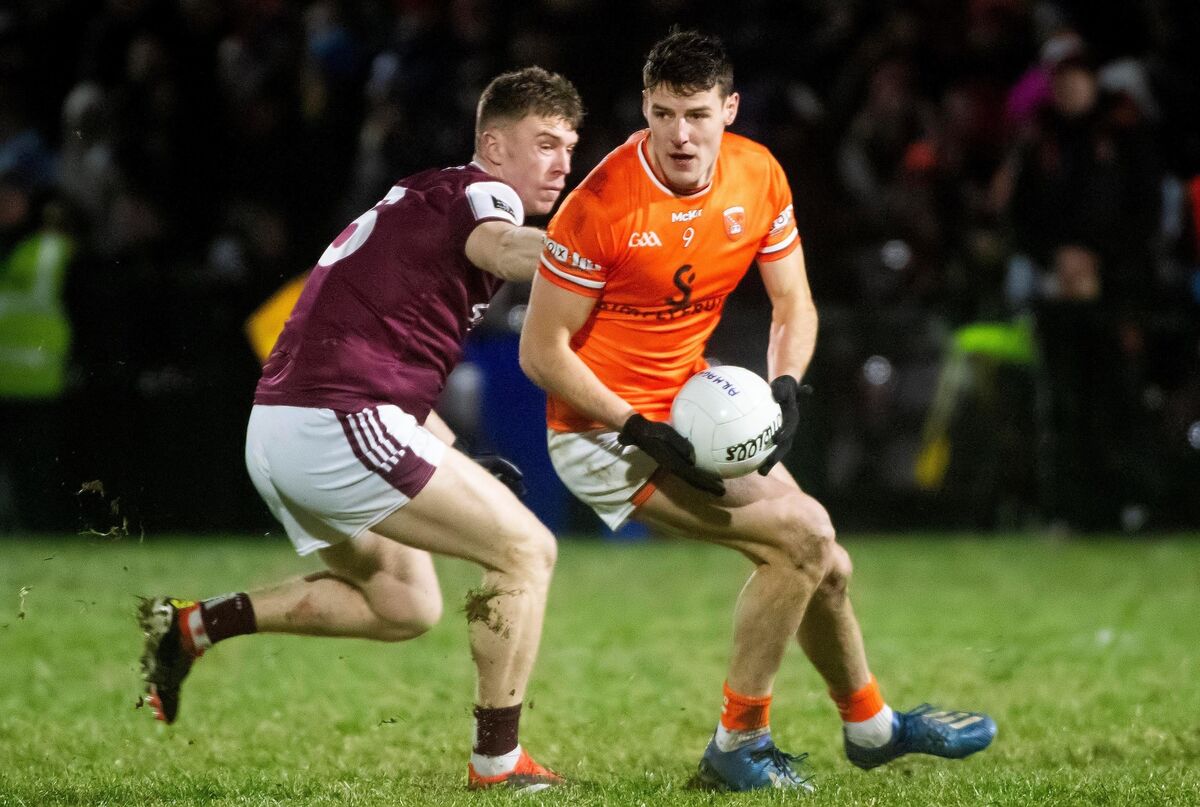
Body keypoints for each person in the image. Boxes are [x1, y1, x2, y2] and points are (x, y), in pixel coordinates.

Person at [519, 31, 996, 792]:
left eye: (698, 115)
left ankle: (870, 727)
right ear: (644, 109)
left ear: (730, 109)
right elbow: (542, 353)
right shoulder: (600, 206)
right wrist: (636, 426)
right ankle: (737, 743)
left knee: (826, 563)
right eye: (664, 114)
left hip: (690, 405)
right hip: (601, 433)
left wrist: (787, 385)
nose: (680, 135)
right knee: (802, 540)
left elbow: (793, 302)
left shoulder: (758, 174)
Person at [137, 67, 583, 792]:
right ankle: (498, 764)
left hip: (280, 429)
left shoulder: (420, 196)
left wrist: (457, 458)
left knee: (405, 604)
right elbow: (505, 247)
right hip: (336, 422)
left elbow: (381, 354)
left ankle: (193, 625)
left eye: (568, 147)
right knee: (526, 551)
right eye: (545, 144)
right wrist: (589, 259)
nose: (562, 163)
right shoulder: (485, 194)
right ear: (495, 145)